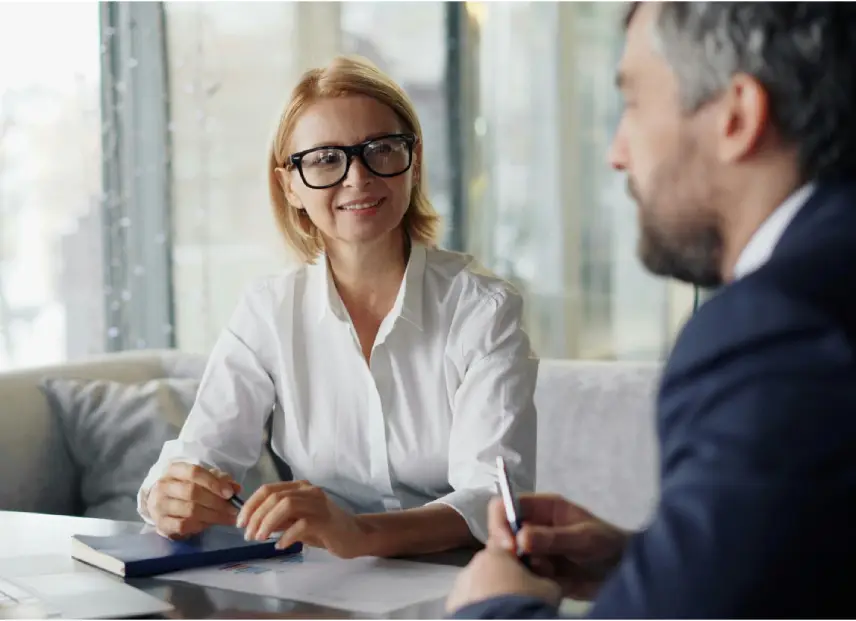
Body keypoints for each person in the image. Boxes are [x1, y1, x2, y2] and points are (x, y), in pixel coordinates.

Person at [447, 1, 856, 617]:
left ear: (736, 117)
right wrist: (648, 563)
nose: (616, 152)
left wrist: (492, 607)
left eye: (633, 104)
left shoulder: (776, 328)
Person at [137, 55, 537, 559]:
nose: (357, 178)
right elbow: (201, 456)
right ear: (290, 186)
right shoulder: (269, 311)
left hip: (461, 579)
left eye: (381, 150)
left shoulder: (484, 308)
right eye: (326, 159)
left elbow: (492, 498)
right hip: (322, 585)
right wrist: (166, 497)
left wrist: (358, 533)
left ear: (413, 162)